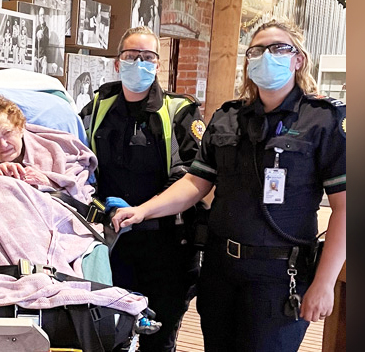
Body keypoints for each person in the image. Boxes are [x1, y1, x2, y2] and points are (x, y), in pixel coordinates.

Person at [111, 19, 346, 351]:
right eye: (258, 50)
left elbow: (346, 210)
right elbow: (195, 182)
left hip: (279, 276)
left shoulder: (323, 121)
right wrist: (143, 211)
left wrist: (324, 283)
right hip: (221, 270)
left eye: (279, 48)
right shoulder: (228, 117)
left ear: (299, 59)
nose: (267, 56)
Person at [79, 26, 205, 352]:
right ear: (117, 64)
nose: (140, 63)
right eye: (131, 56)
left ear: (158, 65)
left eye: (148, 57)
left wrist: (143, 209)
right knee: (111, 331)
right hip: (112, 242)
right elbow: (78, 163)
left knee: (159, 340)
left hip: (168, 246)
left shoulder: (181, 111)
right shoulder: (97, 108)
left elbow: (195, 176)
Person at [0, 94, 99, 279]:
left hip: (45, 225)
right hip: (2, 231)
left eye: (7, 133)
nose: (2, 144)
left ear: (20, 127)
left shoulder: (53, 152)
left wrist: (48, 182)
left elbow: (78, 191)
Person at [35, 7, 49, 73]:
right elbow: (35, 44)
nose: (42, 16)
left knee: (45, 66)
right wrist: (37, 37)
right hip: (37, 55)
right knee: (34, 65)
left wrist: (42, 36)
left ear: (45, 16)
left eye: (43, 15)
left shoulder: (46, 29)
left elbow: (46, 43)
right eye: (41, 15)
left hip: (43, 55)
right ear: (39, 16)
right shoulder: (37, 28)